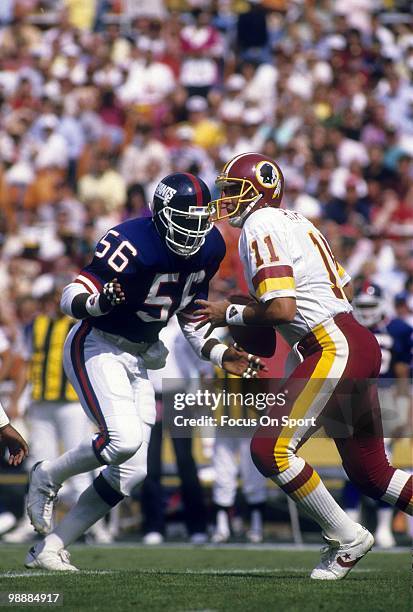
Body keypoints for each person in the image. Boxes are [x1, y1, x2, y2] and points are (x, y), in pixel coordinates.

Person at [25, 172, 264, 571]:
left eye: (201, 221)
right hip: (98, 342)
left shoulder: (211, 247)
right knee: (121, 441)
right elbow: (71, 296)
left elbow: (191, 314)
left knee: (133, 471)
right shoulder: (131, 241)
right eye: (186, 220)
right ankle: (47, 474)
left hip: (140, 356)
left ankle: (51, 547)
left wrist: (220, 353)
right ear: (162, 213)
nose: (195, 230)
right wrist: (99, 302)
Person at [194, 152, 412, 581]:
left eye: (235, 191)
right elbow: (340, 286)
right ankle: (349, 535)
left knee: (269, 449)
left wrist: (231, 315)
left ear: (260, 193)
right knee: (372, 472)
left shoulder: (261, 224)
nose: (227, 200)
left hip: (332, 345)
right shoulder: (299, 221)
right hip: (350, 339)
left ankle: (347, 538)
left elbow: (282, 308)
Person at [342, 283, 413, 548]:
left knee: (381, 465)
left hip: (386, 399)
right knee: (351, 464)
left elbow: (402, 371)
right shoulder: (348, 327)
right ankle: (352, 523)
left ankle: (383, 527)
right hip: (353, 397)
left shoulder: (399, 330)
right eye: (362, 306)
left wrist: (405, 408)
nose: (366, 312)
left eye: (371, 306)